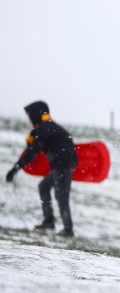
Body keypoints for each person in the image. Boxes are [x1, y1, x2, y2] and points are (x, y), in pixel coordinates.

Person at [5, 101, 78, 237]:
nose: (29, 118)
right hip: (60, 164)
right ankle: (49, 221)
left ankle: (68, 230)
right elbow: (34, 147)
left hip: (62, 164)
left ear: (36, 114)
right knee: (44, 186)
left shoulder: (44, 128)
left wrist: (15, 169)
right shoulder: (46, 127)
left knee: (61, 195)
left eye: (30, 115)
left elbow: (32, 152)